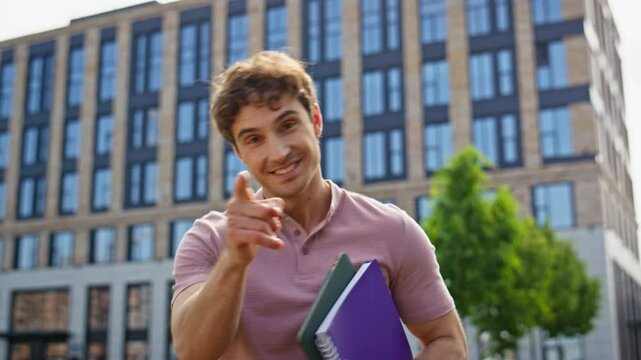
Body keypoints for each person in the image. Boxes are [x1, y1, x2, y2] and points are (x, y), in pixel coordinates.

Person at [171, 51, 467, 359]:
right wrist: (234, 261)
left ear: (315, 120)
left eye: (287, 125)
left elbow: (448, 342)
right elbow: (192, 352)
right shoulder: (209, 240)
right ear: (239, 153)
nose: (279, 152)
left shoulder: (394, 230)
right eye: (254, 139)